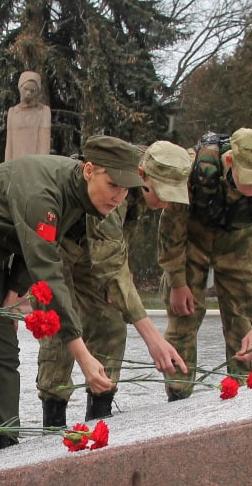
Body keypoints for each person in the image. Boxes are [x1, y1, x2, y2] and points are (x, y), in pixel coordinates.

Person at [0, 135, 186, 483]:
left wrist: (14, 289)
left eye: (126, 189)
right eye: (113, 185)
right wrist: (83, 355)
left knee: (1, 351)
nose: (119, 196)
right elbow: (48, 271)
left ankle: (5, 444)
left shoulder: (81, 196)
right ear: (89, 170)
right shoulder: (44, 191)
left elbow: (37, 245)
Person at [36, 141, 193, 427]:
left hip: (91, 254)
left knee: (110, 324)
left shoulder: (141, 192)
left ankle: (100, 417)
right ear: (142, 175)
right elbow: (108, 259)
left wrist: (124, 273)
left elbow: (115, 245)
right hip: (54, 250)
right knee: (61, 328)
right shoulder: (117, 183)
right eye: (164, 193)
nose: (167, 203)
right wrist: (153, 338)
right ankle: (54, 423)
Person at [158, 128, 252, 400]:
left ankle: (243, 398)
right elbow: (171, 229)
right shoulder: (193, 170)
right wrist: (177, 281)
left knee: (243, 323)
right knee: (183, 320)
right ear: (231, 162)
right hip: (193, 239)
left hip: (241, 242)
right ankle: (178, 397)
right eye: (247, 182)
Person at [4, 70, 52, 160]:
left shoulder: (44, 111)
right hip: (16, 164)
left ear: (37, 91)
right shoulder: (13, 112)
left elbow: (44, 144)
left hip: (35, 165)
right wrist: (8, 168)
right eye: (26, 89)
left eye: (32, 90)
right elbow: (9, 145)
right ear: (20, 87)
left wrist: (41, 167)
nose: (28, 93)